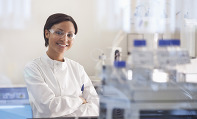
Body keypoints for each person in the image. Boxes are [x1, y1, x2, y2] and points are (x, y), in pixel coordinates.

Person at [24, 13, 99, 118]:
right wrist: (79, 100)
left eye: (70, 35)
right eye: (59, 32)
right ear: (47, 33)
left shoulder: (77, 68)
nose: (64, 39)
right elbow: (48, 108)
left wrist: (62, 113)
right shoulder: (33, 68)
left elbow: (95, 107)